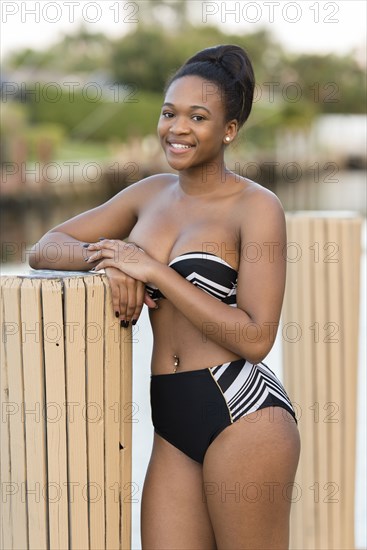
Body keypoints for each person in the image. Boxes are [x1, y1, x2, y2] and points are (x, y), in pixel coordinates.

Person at [30, 44, 300, 550]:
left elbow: (257, 337)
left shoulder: (258, 207)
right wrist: (108, 260)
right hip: (171, 417)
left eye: (197, 117)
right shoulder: (149, 194)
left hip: (242, 412)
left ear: (229, 130)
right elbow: (44, 248)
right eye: (168, 112)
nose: (177, 128)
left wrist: (151, 269)